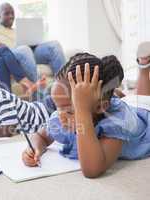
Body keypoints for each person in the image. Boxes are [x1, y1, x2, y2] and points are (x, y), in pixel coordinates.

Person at [22, 53, 150, 178]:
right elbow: (41, 136)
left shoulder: (116, 123)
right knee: (132, 99)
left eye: (70, 111)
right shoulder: (62, 117)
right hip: (110, 104)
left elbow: (92, 170)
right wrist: (35, 147)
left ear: (99, 107)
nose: (60, 116)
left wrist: (82, 110)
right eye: (57, 106)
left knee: (142, 100)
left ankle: (144, 69)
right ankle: (118, 94)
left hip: (144, 118)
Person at [0, 2, 66, 80]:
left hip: (28, 53)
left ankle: (64, 85)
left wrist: (34, 43)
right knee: (24, 49)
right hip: (11, 55)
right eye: (7, 13)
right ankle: (36, 90)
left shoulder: (18, 30)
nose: (11, 16)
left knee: (54, 45)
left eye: (12, 13)